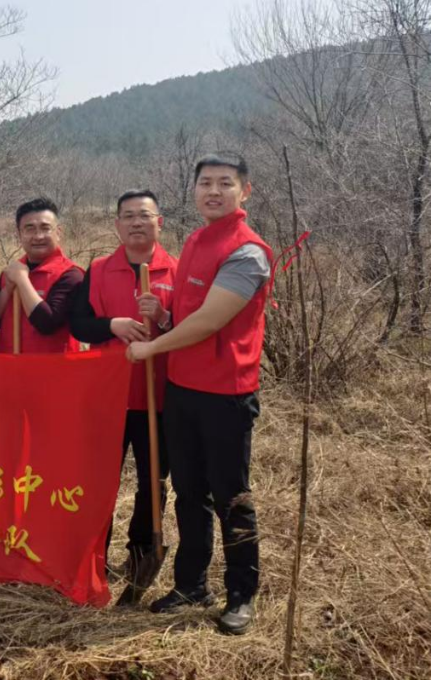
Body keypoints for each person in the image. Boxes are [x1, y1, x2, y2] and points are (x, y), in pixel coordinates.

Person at [127, 154, 272, 635]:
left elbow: (211, 321)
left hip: (226, 394)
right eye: (205, 183)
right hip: (183, 389)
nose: (213, 191)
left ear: (244, 191)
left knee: (232, 497)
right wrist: (163, 316)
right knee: (189, 493)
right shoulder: (195, 240)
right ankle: (191, 585)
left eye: (225, 183)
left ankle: (241, 594)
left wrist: (152, 346)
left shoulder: (247, 251)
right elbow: (190, 315)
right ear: (194, 191)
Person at [68, 189, 177, 579]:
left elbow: (190, 330)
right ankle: (93, 558)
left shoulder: (177, 270)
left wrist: (163, 318)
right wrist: (112, 325)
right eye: (128, 216)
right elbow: (78, 325)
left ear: (159, 222)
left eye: (144, 215)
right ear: (117, 225)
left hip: (158, 397)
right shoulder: (99, 269)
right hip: (107, 397)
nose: (136, 223)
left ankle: (141, 556)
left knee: (153, 480)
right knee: (100, 479)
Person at [0, 197, 83, 353]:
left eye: (45, 228)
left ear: (58, 232)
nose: (38, 236)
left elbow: (47, 324)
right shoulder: (11, 272)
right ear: (19, 234)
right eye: (30, 229)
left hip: (53, 365)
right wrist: (7, 290)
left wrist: (22, 281)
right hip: (10, 365)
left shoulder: (71, 275)